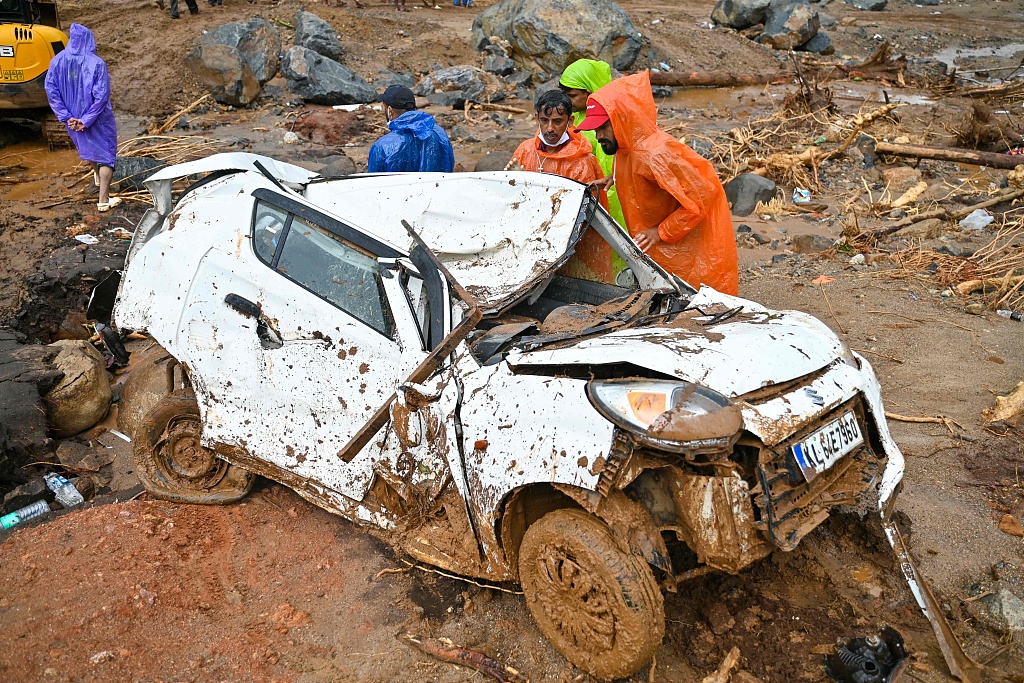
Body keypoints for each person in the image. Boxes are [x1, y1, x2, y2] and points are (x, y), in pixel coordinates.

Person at [576, 71, 738, 295]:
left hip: (687, 235)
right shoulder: (626, 144)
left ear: (621, 119)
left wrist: (659, 232)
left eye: (603, 126)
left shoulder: (656, 154)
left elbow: (701, 198)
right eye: (595, 128)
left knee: (698, 295)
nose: (598, 134)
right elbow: (629, 162)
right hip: (660, 235)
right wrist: (613, 178)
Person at [44, 24, 121, 213]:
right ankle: (103, 200)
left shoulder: (57, 61)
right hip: (97, 119)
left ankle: (96, 175)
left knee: (88, 147)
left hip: (72, 119)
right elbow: (101, 96)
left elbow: (51, 91)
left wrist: (67, 117)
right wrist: (86, 120)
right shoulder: (96, 64)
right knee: (106, 156)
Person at [558, 59, 627, 233]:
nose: (567, 101)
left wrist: (601, 204)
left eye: (572, 96)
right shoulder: (579, 115)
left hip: (601, 195)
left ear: (588, 93)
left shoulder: (605, 121)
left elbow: (608, 170)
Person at [510, 90, 602, 185]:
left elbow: (584, 198)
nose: (550, 129)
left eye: (557, 121)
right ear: (537, 119)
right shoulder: (525, 150)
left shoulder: (582, 162)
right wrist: (515, 180)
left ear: (570, 121)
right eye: (544, 120)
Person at [368, 85, 455, 173]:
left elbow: (373, 182)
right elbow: (449, 166)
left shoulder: (381, 146)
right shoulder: (440, 133)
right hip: (437, 186)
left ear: (390, 111)